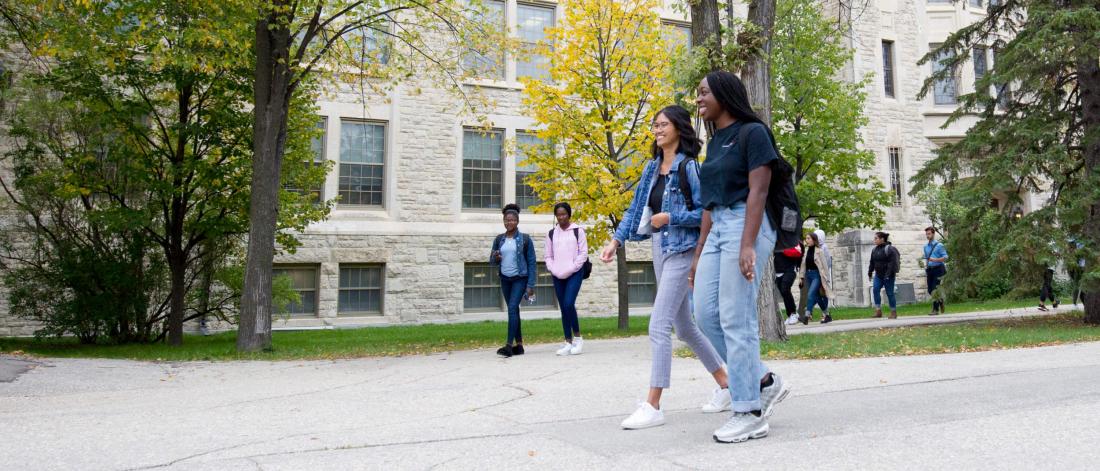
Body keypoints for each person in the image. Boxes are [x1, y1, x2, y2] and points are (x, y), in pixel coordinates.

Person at [600, 105, 730, 430]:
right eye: (654, 126)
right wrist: (616, 241)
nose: (657, 130)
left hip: (683, 249)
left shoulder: (689, 168)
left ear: (679, 129)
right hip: (660, 248)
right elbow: (634, 209)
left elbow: (705, 213)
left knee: (658, 326)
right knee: (684, 327)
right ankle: (727, 384)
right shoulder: (651, 168)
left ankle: (653, 404)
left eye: (663, 125)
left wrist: (671, 217)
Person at [688, 71, 790, 444]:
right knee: (705, 314)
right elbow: (708, 205)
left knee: (736, 316)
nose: (698, 100)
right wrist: (698, 254)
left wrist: (747, 244)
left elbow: (758, 191)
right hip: (718, 229)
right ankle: (763, 380)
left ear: (725, 95)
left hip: (748, 224)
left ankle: (748, 411)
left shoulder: (753, 133)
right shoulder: (714, 144)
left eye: (703, 93)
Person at [489, 204, 537, 357]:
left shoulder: (525, 239)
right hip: (505, 279)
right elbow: (491, 261)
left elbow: (531, 262)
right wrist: (495, 258)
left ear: (517, 221)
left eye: (511, 220)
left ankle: (509, 346)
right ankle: (520, 346)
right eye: (506, 220)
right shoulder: (499, 239)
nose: (508, 222)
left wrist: (530, 285)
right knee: (514, 310)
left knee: (511, 308)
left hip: (519, 279)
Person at [546, 202, 588, 356]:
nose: (561, 217)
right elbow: (548, 256)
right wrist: (553, 268)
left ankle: (578, 338)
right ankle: (567, 342)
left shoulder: (578, 231)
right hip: (557, 274)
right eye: (558, 214)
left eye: (564, 214)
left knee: (569, 303)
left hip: (574, 272)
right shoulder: (551, 233)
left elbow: (583, 253)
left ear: (569, 214)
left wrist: (572, 268)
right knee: (563, 307)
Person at [799, 230, 834, 324]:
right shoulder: (806, 251)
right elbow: (803, 265)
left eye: (808, 238)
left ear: (814, 240)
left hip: (817, 276)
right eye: (806, 238)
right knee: (817, 297)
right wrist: (801, 277)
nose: (806, 240)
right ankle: (827, 315)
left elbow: (825, 265)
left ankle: (806, 315)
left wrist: (826, 278)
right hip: (808, 275)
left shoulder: (820, 251)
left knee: (810, 294)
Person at [867, 231, 901, 319]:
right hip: (878, 275)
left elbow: (892, 263)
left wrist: (888, 274)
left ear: (882, 239)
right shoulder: (874, 250)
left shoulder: (889, 249)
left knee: (890, 293)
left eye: (876, 238)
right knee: (875, 289)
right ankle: (878, 311)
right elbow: (872, 262)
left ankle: (893, 312)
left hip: (888, 275)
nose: (874, 240)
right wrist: (870, 272)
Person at [923, 226, 948, 315]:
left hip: (938, 269)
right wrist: (926, 265)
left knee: (934, 289)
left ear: (933, 234)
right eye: (926, 234)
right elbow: (927, 258)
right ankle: (940, 300)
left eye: (929, 234)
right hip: (930, 270)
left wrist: (935, 260)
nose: (927, 236)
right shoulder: (925, 246)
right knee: (930, 290)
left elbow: (945, 257)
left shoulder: (939, 245)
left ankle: (935, 310)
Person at [779, 244, 804, 325]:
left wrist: (782, 250)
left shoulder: (792, 240)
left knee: (785, 288)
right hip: (778, 270)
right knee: (784, 293)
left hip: (790, 269)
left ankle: (793, 313)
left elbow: (798, 252)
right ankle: (790, 314)